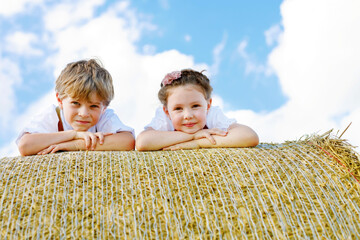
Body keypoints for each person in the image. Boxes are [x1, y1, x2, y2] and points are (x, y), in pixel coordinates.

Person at [17, 59, 135, 156]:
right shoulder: (52, 116)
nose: (84, 113)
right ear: (60, 100)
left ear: (104, 107)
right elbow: (25, 145)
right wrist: (74, 134)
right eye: (75, 103)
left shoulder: (105, 116)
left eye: (93, 106)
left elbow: (128, 141)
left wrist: (75, 145)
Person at [136, 69, 259, 151]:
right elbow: (142, 143)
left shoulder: (212, 115)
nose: (188, 115)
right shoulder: (164, 119)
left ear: (208, 105)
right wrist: (194, 134)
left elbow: (249, 136)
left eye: (195, 106)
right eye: (178, 108)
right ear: (167, 112)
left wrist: (198, 143)